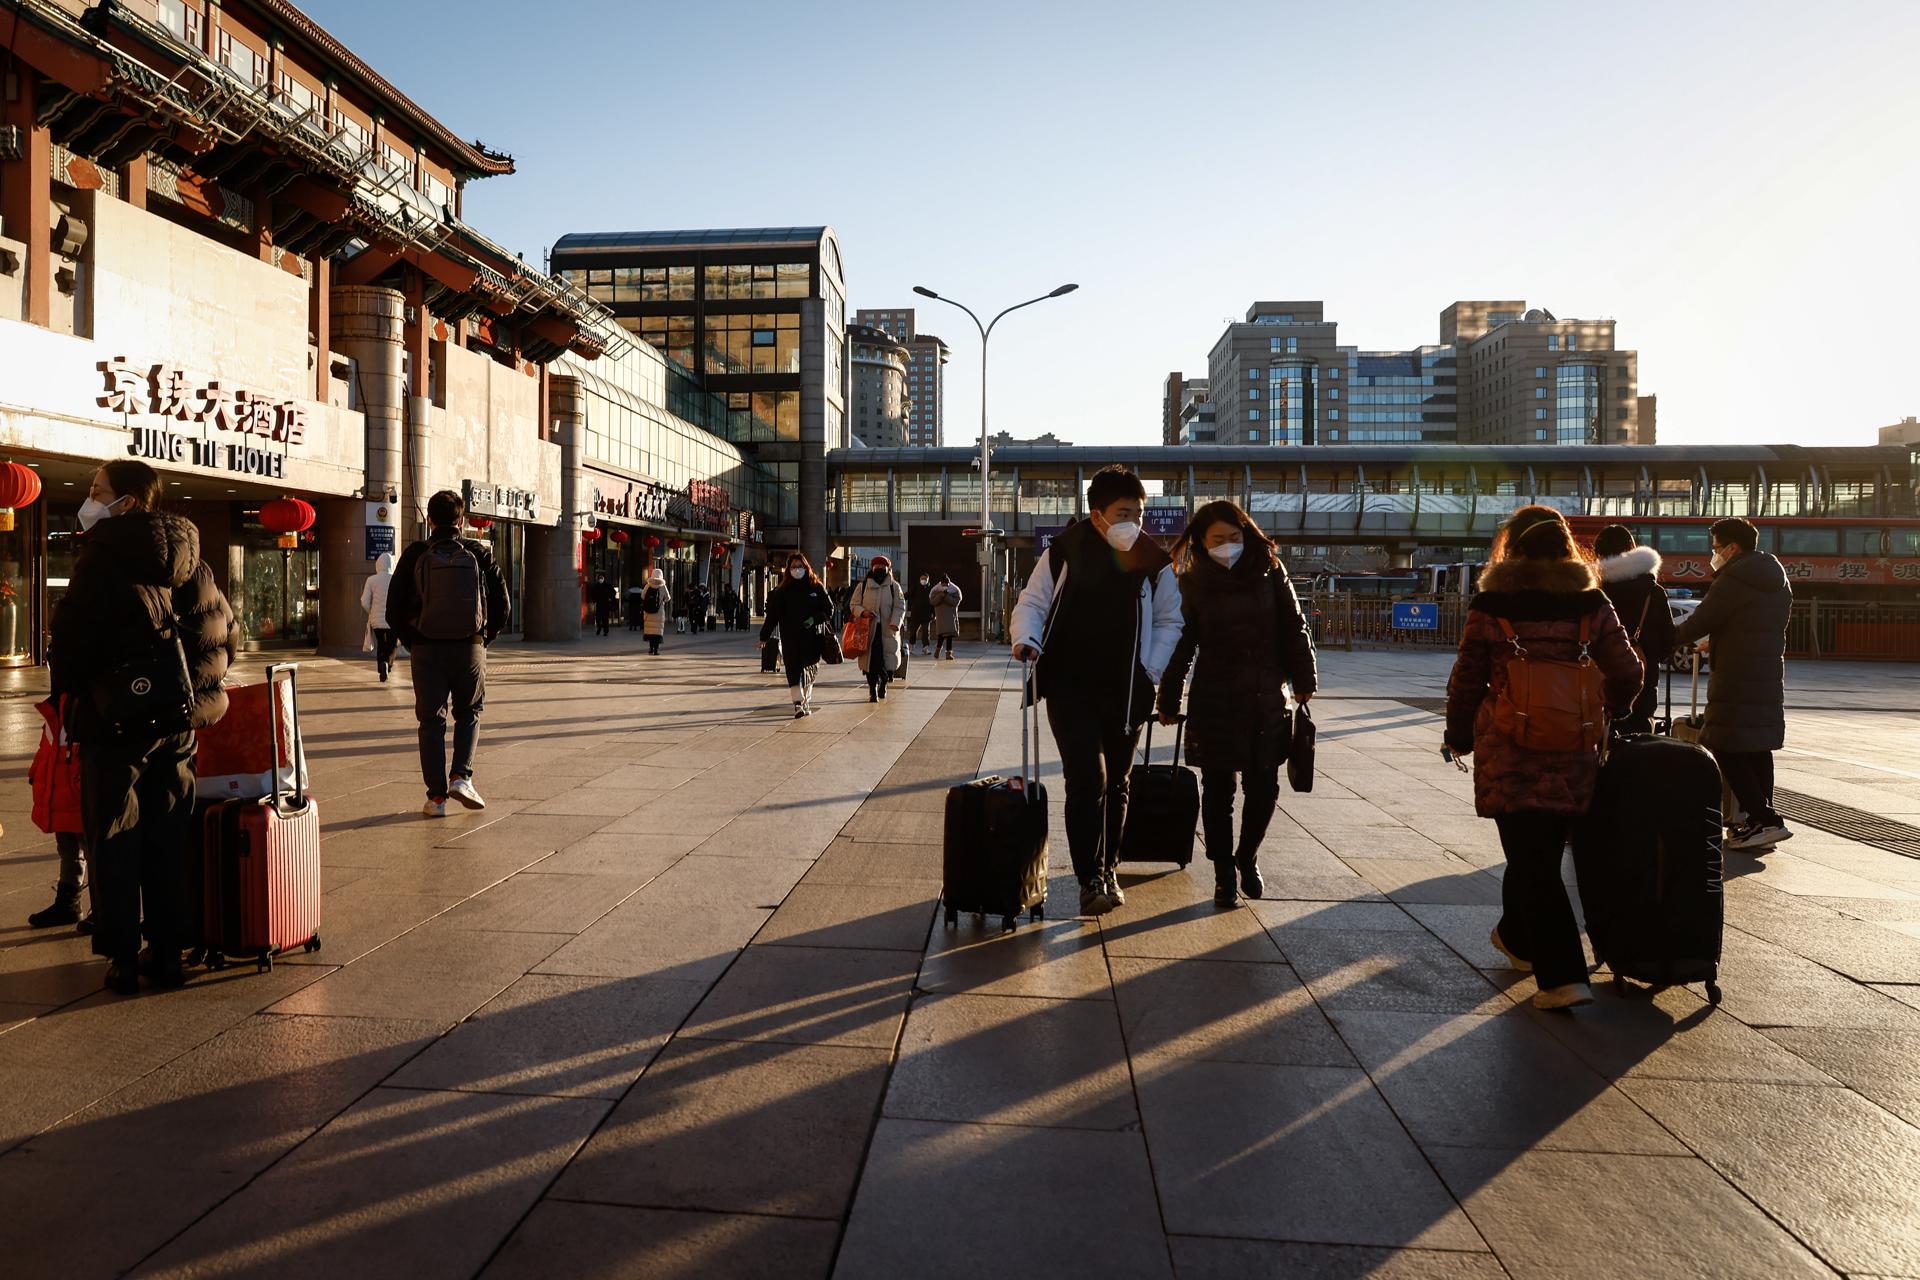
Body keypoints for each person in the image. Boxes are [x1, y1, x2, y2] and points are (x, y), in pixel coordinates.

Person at [1444, 505, 1641, 1011]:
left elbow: (1468, 675)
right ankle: (1518, 939)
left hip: (1510, 746)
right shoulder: (1591, 601)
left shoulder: (1493, 603)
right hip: (1573, 745)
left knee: (1531, 859)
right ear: (1567, 548)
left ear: (1514, 548)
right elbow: (1629, 671)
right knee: (1540, 854)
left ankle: (1562, 975)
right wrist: (1605, 708)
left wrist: (1458, 733)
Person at [49, 459, 236, 992]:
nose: (89, 500)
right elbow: (223, 632)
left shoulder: (103, 557)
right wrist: (194, 693)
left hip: (114, 725)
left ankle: (123, 957)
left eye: (96, 491)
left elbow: (70, 640)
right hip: (177, 724)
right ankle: (169, 952)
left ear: (126, 501)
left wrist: (75, 698)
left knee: (112, 838)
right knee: (167, 836)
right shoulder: (193, 560)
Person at [1011, 465, 1184, 917]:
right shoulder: (1065, 551)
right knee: (1089, 778)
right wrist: (1026, 639)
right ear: (1097, 513)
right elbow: (1033, 602)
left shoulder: (1153, 561)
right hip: (1069, 684)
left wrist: (1150, 670)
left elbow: (1171, 620)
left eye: (1140, 513)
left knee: (1120, 782)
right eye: (1124, 512)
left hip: (1127, 687)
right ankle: (1090, 878)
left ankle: (1110, 866)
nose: (1134, 522)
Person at [1156, 501, 1318, 909]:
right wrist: (1169, 695)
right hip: (1215, 697)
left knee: (1264, 788)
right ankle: (1223, 873)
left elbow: (1294, 625)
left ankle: (1248, 856)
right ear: (1201, 543)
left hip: (1267, 697)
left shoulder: (1270, 571)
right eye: (1218, 540)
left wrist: (1304, 679)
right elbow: (1182, 642)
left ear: (1247, 533)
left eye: (1235, 537)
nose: (1228, 545)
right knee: (1218, 792)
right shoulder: (1192, 582)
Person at [385, 489, 509, 819]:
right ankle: (461, 778)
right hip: (469, 646)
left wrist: (415, 642)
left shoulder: (415, 554)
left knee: (431, 721)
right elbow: (503, 604)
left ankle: (436, 799)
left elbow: (393, 608)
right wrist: (482, 639)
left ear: (430, 519)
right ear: (462, 520)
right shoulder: (478, 553)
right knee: (468, 712)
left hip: (427, 648)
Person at [1673, 516, 1794, 851]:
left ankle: (1764, 818)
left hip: (1738, 674)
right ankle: (1760, 820)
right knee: (1757, 746)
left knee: (1723, 743)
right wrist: (1720, 639)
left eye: (1715, 548)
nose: (1714, 555)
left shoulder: (1734, 578)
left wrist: (1665, 639)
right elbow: (1752, 621)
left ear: (1732, 547)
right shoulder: (1776, 578)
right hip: (1766, 671)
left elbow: (1701, 619)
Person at [1593, 524, 1676, 735]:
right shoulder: (1654, 591)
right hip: (1644, 683)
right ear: (1631, 548)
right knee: (1639, 749)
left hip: (1600, 682)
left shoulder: (1595, 592)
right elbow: (1667, 643)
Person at [760, 552, 834, 717]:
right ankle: (798, 703)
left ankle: (805, 702)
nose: (797, 570)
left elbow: (829, 610)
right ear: (788, 570)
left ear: (806, 567)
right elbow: (773, 615)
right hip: (790, 639)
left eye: (800, 566)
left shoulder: (816, 587)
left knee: (809, 671)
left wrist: (814, 619)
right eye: (793, 567)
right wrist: (764, 637)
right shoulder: (783, 590)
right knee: (793, 672)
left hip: (812, 639)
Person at [850, 554, 907, 702]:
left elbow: (900, 606)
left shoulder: (894, 587)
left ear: (888, 569)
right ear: (872, 568)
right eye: (877, 567)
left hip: (888, 630)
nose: (880, 570)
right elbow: (854, 604)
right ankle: (872, 690)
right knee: (870, 663)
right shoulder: (863, 586)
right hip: (868, 631)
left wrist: (896, 622)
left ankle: (883, 682)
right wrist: (863, 612)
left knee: (887, 662)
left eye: (883, 567)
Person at [360, 550, 398, 681]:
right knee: (392, 644)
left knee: (381, 643)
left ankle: (382, 664)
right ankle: (387, 664)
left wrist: (371, 611)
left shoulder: (371, 580)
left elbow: (364, 601)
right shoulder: (396, 579)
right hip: (393, 619)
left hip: (376, 620)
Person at [930, 572, 962, 659]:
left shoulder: (954, 590)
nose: (945, 586)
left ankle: (947, 653)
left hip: (950, 616)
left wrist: (946, 596)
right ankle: (938, 652)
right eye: (943, 584)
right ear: (941, 583)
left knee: (949, 635)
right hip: (941, 616)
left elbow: (955, 602)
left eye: (946, 584)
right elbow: (933, 602)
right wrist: (941, 595)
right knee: (941, 634)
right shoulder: (936, 591)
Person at [641, 567, 671, 655]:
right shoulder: (663, 586)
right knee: (657, 632)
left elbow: (642, 596)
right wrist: (662, 602)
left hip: (648, 612)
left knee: (650, 632)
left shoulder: (648, 585)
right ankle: (656, 650)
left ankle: (650, 648)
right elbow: (668, 598)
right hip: (659, 612)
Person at [908, 570, 935, 656]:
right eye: (922, 578)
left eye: (925, 578)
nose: (923, 580)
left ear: (928, 579)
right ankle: (911, 647)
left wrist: (934, 614)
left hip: (927, 615)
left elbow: (933, 603)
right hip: (916, 614)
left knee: (926, 632)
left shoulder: (931, 589)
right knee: (913, 632)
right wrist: (899, 597)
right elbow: (908, 594)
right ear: (919, 579)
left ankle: (925, 648)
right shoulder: (915, 586)